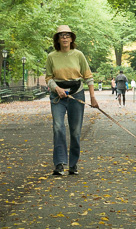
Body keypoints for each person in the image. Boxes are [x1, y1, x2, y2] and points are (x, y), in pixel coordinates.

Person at [46, 25, 99, 176]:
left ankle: (73, 164)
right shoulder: (51, 57)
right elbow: (48, 78)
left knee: (75, 131)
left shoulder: (78, 55)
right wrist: (57, 89)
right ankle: (59, 164)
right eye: (61, 35)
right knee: (58, 127)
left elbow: (88, 76)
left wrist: (93, 97)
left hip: (76, 94)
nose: (64, 38)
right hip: (58, 96)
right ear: (57, 39)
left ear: (71, 38)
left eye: (67, 35)